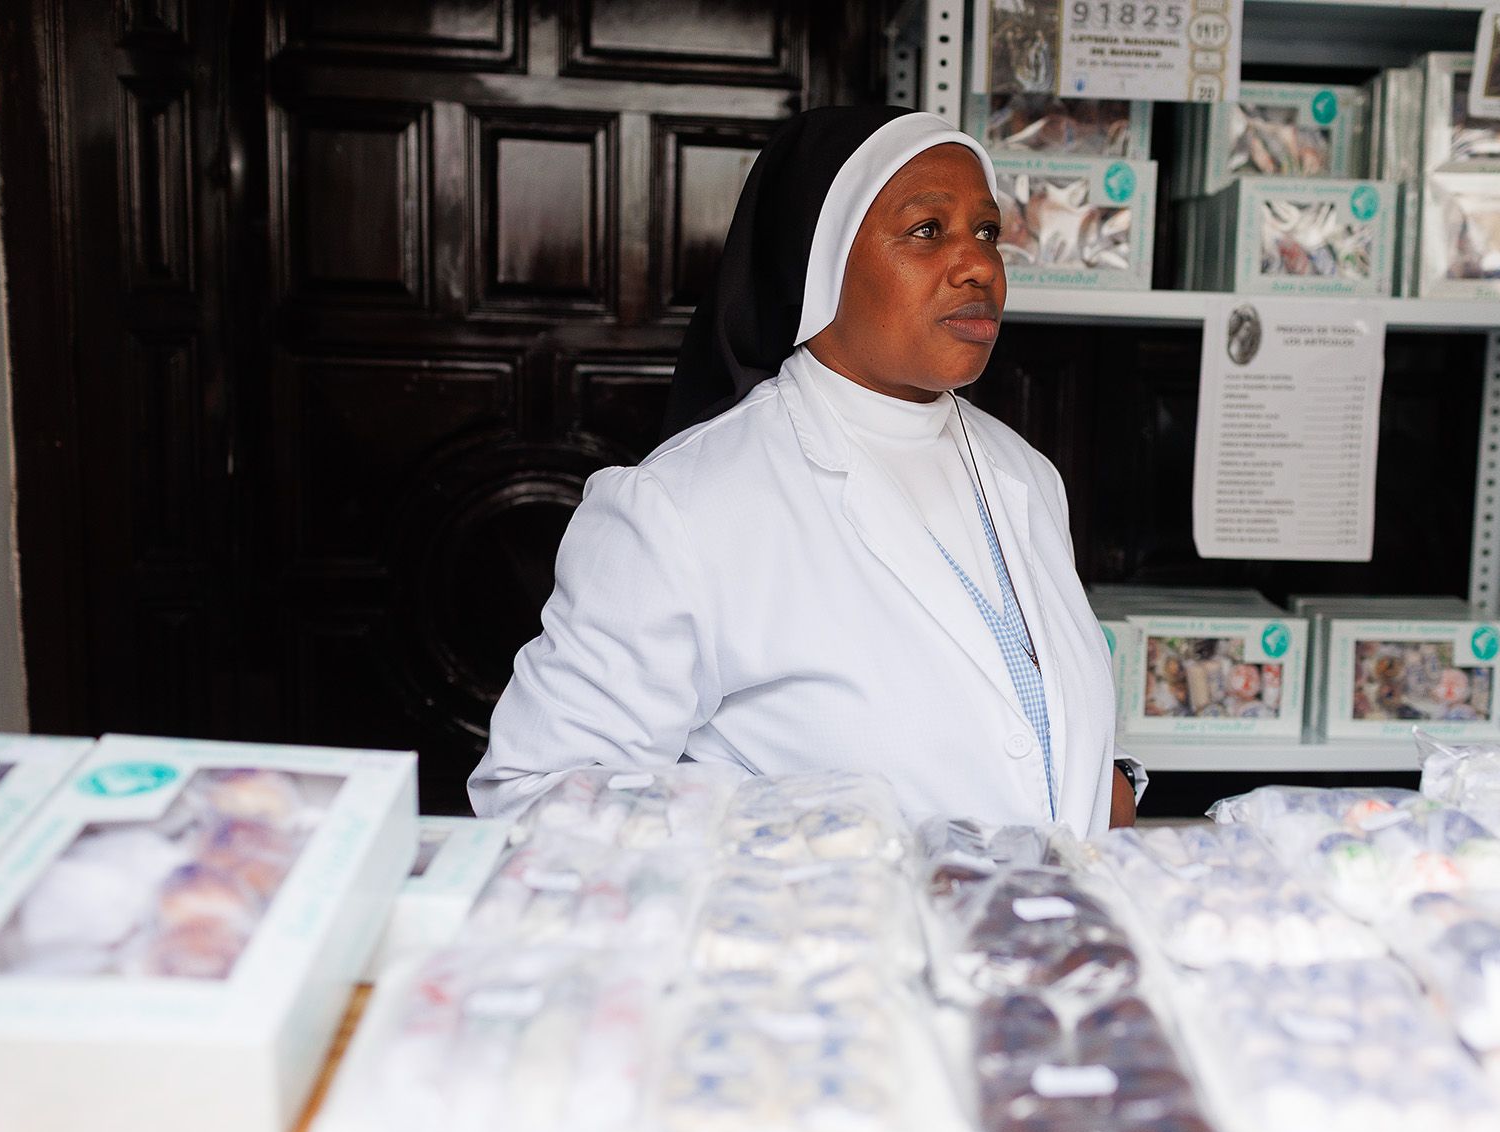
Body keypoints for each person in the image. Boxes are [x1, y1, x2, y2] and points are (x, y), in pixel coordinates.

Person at [469, 106, 1142, 835]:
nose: (979, 264)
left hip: (1048, 933)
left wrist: (1097, 779)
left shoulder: (1025, 472)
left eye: (986, 232)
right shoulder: (684, 506)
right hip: (833, 942)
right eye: (927, 231)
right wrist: (807, 838)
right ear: (820, 264)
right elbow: (533, 795)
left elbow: (1009, 707)